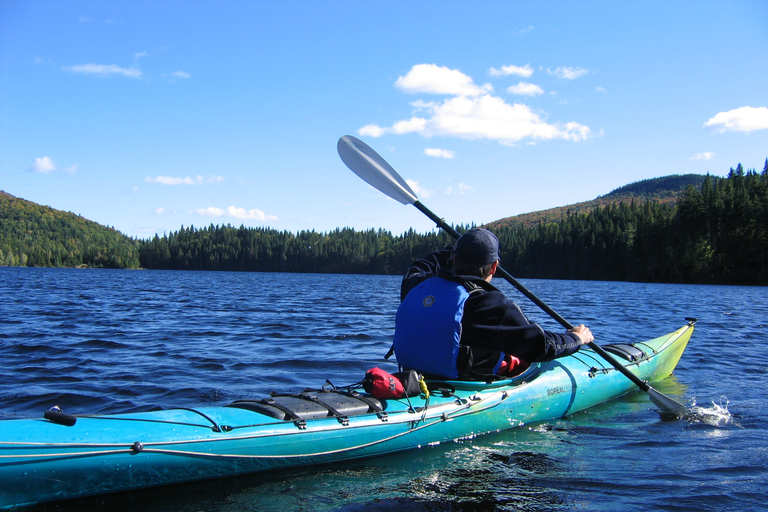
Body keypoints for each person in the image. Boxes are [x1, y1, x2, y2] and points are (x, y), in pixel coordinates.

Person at [392, 228, 594, 380]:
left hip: (415, 375)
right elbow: (541, 346)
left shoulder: (417, 285)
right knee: (516, 358)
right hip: (465, 383)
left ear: (454, 258)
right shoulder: (490, 304)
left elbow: (421, 265)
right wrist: (575, 338)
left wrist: (458, 248)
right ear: (494, 267)